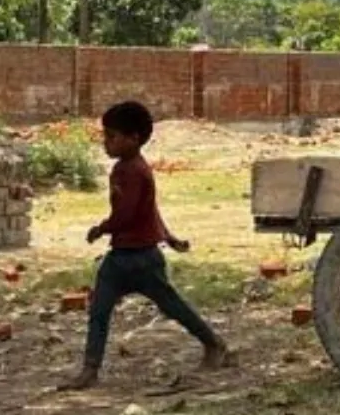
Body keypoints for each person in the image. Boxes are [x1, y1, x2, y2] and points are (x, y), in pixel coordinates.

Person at [58, 101, 230, 391]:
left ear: (134, 138)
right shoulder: (126, 169)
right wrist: (169, 236)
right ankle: (89, 369)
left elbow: (127, 214)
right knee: (99, 309)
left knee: (172, 306)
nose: (106, 143)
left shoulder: (133, 172)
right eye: (105, 136)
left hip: (142, 259)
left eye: (112, 137)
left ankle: (214, 344)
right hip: (121, 258)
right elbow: (151, 211)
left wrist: (101, 228)